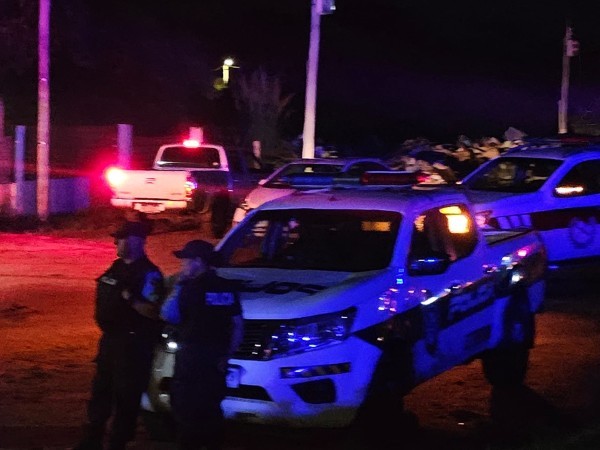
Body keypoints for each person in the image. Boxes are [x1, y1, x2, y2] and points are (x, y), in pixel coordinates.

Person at [74, 221, 164, 450]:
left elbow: (153, 312)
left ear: (136, 241)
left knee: (126, 397)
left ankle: (118, 443)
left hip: (132, 345)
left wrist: (131, 298)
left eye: (121, 238)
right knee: (100, 393)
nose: (116, 242)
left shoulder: (149, 274)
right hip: (111, 341)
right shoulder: (116, 267)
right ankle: (91, 441)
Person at [160, 239, 244, 450]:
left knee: (185, 409)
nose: (183, 266)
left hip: (191, 357)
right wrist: (227, 355)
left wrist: (179, 285)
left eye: (186, 261)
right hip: (216, 358)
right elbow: (237, 326)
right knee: (211, 407)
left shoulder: (190, 289)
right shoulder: (227, 288)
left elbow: (169, 314)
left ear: (198, 261)